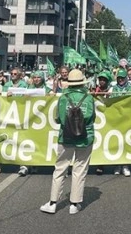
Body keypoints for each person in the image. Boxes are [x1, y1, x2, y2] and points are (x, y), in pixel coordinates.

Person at [40, 69, 96, 215]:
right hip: (85, 137)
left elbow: (58, 118)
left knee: (60, 169)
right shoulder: (89, 98)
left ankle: (53, 203)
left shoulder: (63, 97)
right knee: (80, 169)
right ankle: (74, 204)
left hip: (66, 137)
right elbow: (91, 118)